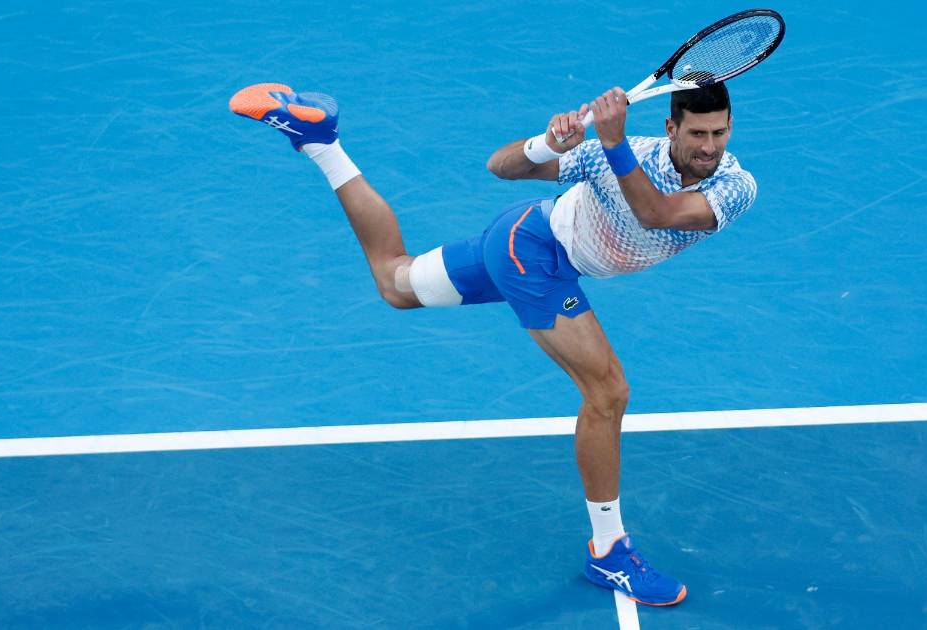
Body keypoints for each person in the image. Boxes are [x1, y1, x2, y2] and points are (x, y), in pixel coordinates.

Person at [229, 80, 756, 606]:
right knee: (608, 392)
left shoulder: (735, 186)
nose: (709, 146)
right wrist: (547, 144)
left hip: (524, 242)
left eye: (718, 132)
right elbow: (501, 166)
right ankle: (609, 551)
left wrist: (612, 144)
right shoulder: (616, 151)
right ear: (670, 128)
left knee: (395, 283)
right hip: (532, 253)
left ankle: (321, 143)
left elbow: (658, 215)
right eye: (697, 134)